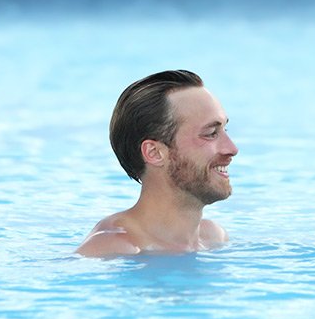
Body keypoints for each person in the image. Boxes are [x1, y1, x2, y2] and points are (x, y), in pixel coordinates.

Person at [76, 69, 237, 257]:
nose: (232, 148)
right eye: (211, 134)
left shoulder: (214, 238)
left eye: (226, 129)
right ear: (154, 153)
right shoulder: (112, 249)